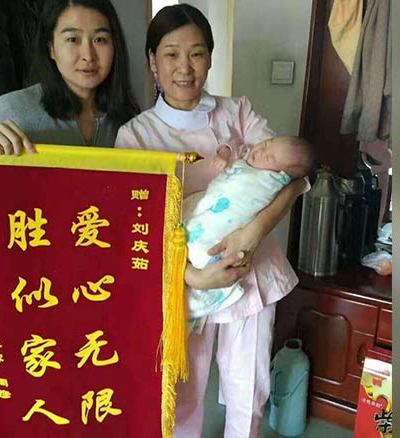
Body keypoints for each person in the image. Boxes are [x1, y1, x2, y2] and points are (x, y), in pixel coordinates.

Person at [114, 4, 309, 437]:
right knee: (182, 391)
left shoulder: (237, 113)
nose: (185, 67)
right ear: (152, 61)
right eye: (171, 54)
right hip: (183, 279)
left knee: (248, 389)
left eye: (197, 53)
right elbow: (136, 226)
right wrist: (193, 276)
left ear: (210, 58)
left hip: (251, 269)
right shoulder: (135, 136)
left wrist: (253, 231)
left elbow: (293, 177)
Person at [0, 0, 139, 155]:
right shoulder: (15, 109)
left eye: (99, 39)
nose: (88, 56)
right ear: (51, 48)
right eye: (73, 39)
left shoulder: (128, 118)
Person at [186, 136, 315, 332]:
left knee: (248, 350)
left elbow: (298, 181)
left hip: (251, 271)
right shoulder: (255, 154)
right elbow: (241, 148)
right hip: (189, 256)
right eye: (264, 144)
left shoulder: (272, 177)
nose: (261, 150)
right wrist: (225, 151)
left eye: (269, 157)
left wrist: (254, 231)